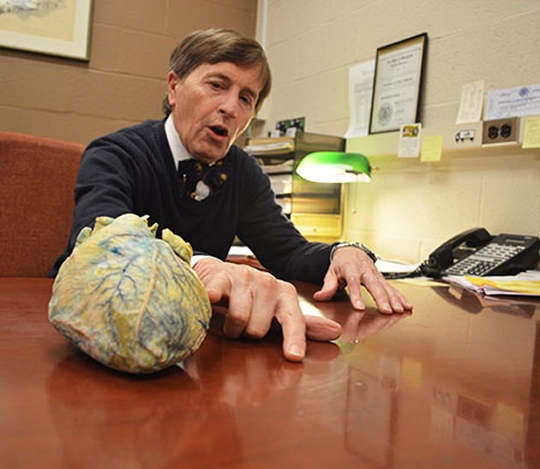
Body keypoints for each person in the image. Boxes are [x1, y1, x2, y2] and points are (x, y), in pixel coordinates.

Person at [51, 28, 412, 362]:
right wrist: (203, 266)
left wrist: (342, 251)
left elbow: (289, 253)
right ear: (173, 88)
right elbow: (101, 243)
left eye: (246, 98)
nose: (230, 107)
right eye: (217, 85)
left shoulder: (244, 173)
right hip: (93, 330)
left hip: (192, 344)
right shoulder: (115, 154)